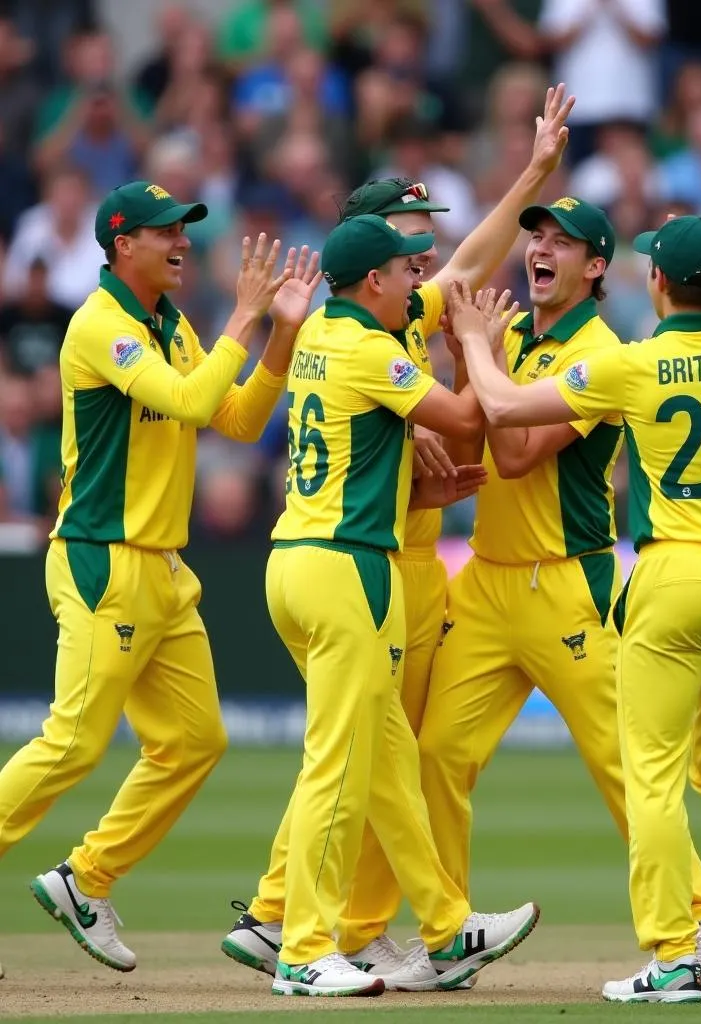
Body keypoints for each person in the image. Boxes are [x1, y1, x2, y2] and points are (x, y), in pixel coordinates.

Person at [222, 84, 570, 993]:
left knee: (383, 762)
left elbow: (456, 280)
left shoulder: (337, 330)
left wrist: (533, 170)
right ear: (373, 270)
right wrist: (477, 350)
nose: (427, 268)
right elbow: (464, 417)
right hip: (349, 566)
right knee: (344, 760)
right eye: (410, 255)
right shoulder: (371, 343)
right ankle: (300, 949)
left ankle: (446, 927)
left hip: (303, 556)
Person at [446, 214, 701, 1005]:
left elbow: (503, 421)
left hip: (657, 576)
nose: (542, 252)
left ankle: (680, 946)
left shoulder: (630, 364)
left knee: (649, 775)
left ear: (655, 283)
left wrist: (473, 340)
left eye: (562, 244)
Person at [0, 179, 321, 973]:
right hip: (102, 560)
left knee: (193, 741)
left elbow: (236, 419)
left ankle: (88, 878)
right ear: (121, 246)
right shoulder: (99, 326)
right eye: (163, 231)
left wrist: (279, 333)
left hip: (163, 570)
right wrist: (245, 317)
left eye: (183, 228)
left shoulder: (168, 323)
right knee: (73, 742)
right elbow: (183, 399)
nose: (181, 241)